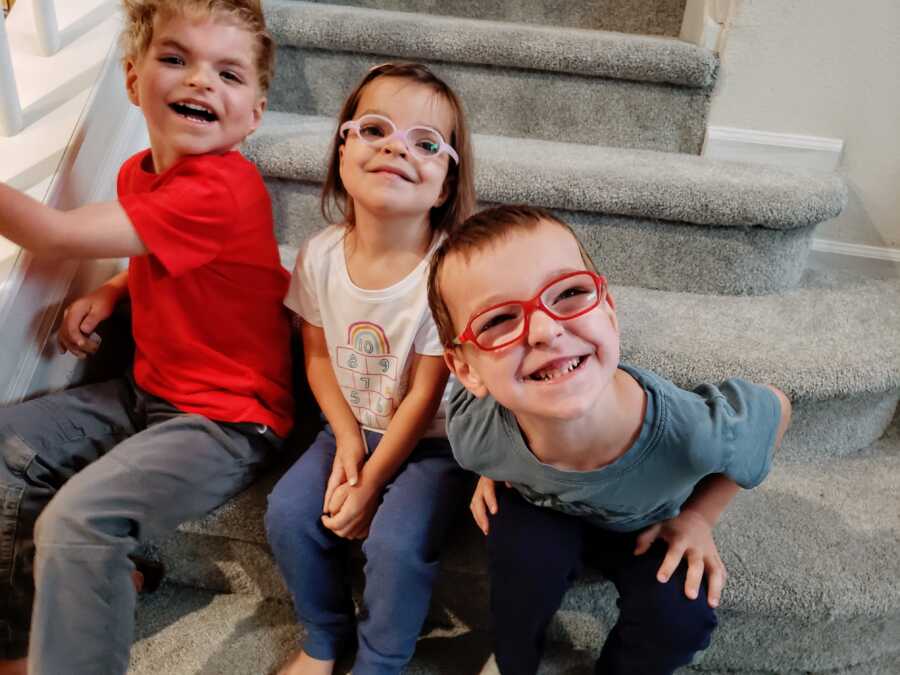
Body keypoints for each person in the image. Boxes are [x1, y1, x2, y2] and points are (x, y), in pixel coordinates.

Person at [0, 2, 293, 673]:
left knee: (78, 523)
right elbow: (172, 251)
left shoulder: (222, 187)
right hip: (149, 392)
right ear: (132, 81)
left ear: (254, 114)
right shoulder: (141, 171)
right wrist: (112, 290)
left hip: (225, 421)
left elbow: (53, 235)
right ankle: (22, 643)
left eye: (228, 73)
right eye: (175, 58)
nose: (200, 81)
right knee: (7, 448)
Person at [427, 204, 793, 675]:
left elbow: (777, 406)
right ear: (466, 369)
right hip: (540, 504)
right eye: (498, 320)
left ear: (610, 312)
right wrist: (489, 469)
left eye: (570, 292)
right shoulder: (475, 434)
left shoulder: (693, 433)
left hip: (652, 522)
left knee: (681, 614)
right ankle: (512, 662)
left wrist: (700, 517)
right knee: (519, 569)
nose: (545, 330)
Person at [264, 62, 476, 675]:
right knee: (288, 513)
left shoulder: (448, 270)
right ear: (342, 151)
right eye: (375, 129)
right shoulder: (320, 254)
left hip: (436, 442)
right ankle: (324, 637)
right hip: (350, 423)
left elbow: (424, 395)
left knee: (395, 541)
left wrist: (373, 480)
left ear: (442, 186)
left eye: (426, 143)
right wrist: (349, 439)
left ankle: (381, 660)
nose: (395, 148)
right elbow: (319, 353)